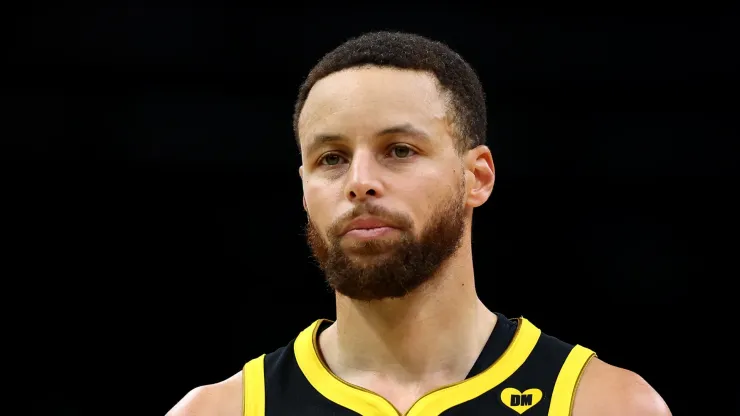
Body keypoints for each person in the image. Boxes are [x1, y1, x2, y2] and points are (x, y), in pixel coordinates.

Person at [167, 31, 671, 416]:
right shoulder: (219, 410)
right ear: (303, 188)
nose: (359, 181)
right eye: (331, 158)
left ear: (477, 177)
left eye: (399, 151)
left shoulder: (603, 404)